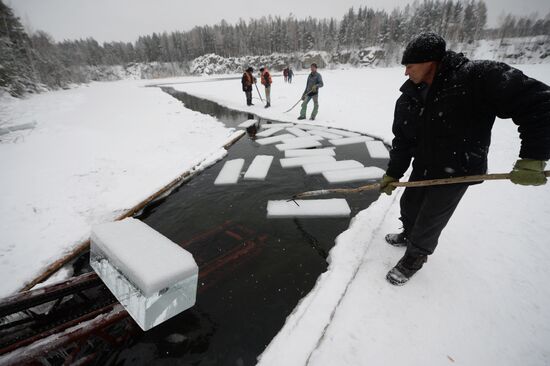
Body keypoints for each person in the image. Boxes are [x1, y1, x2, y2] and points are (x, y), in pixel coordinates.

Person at [380, 32, 550, 286]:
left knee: (431, 218)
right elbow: (403, 141)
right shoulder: (408, 98)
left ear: (430, 62)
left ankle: (415, 257)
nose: (406, 72)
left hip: (457, 170)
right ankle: (408, 233)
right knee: (409, 206)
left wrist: (533, 157)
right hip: (425, 166)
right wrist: (394, 172)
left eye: (409, 66)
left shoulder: (478, 76)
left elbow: (540, 102)